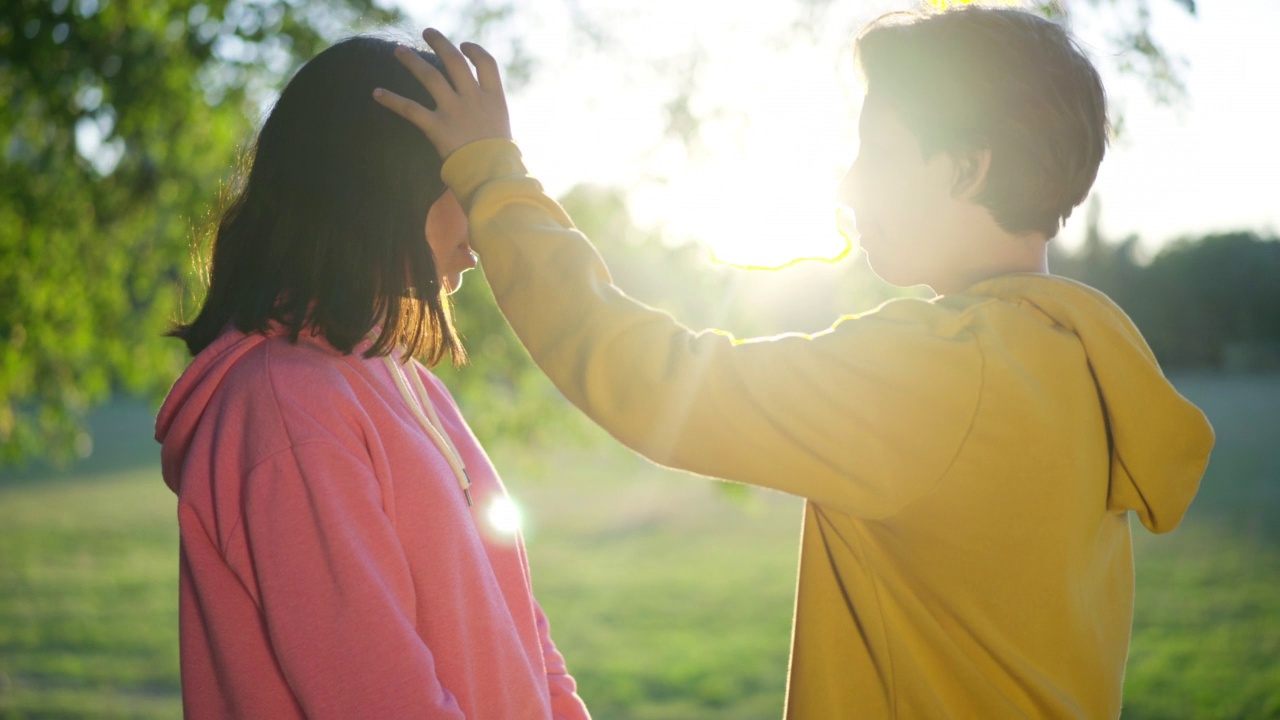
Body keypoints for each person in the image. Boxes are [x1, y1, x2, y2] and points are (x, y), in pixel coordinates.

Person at [374, 6, 1215, 719]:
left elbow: (654, 378)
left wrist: (490, 173)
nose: (849, 187)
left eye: (878, 152)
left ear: (965, 167)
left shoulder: (944, 372)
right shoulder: (1068, 360)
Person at [155, 36, 590, 720]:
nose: (480, 232)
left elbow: (515, 616)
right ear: (383, 183)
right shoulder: (287, 411)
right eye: (462, 178)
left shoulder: (400, 375)